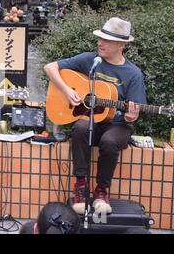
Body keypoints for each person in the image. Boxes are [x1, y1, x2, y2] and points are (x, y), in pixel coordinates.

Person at [43, 17, 146, 215]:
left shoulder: (133, 73)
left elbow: (134, 111)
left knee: (109, 141)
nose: (100, 43)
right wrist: (65, 90)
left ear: (122, 45)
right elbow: (50, 67)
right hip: (92, 120)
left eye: (107, 40)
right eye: (100, 39)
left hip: (118, 124)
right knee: (81, 127)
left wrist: (131, 117)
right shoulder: (91, 60)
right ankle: (80, 185)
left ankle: (102, 190)